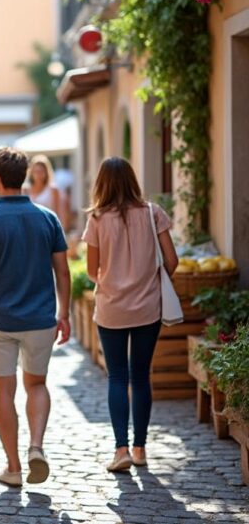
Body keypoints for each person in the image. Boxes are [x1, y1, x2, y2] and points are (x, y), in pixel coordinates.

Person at [0, 146, 71, 488]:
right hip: (40, 319)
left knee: (3, 391)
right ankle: (37, 446)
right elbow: (62, 272)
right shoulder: (48, 218)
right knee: (37, 384)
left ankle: (14, 467)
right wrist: (65, 314)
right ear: (24, 177)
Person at [82, 157, 178, 472]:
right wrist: (149, 280)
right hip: (148, 307)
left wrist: (114, 280)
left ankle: (120, 449)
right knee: (141, 376)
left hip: (111, 308)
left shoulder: (96, 219)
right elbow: (172, 260)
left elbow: (92, 271)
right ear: (132, 181)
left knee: (117, 377)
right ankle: (140, 449)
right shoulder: (153, 213)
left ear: (102, 184)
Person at [26, 154, 63, 223]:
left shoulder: (53, 190)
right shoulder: (25, 190)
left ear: (46, 172)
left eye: (41, 172)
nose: (38, 175)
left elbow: (58, 214)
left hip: (47, 225)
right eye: (36, 172)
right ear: (31, 173)